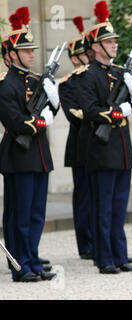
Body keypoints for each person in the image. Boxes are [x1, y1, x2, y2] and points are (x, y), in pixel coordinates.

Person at [78, 1, 132, 274]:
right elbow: (91, 111)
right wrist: (118, 112)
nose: (115, 45)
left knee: (118, 209)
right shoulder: (88, 75)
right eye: (109, 42)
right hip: (102, 149)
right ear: (95, 47)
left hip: (121, 149)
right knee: (103, 208)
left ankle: (120, 254)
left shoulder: (119, 73)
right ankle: (105, 258)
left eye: (115, 41)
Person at [0, 7, 58, 282]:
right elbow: (16, 122)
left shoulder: (37, 81)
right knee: (19, 216)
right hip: (19, 156)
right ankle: (19, 264)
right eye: (25, 51)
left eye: (33, 50)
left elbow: (48, 111)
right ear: (10, 55)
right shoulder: (5, 85)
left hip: (39, 156)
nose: (32, 54)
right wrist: (43, 118)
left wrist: (53, 103)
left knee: (36, 215)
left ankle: (32, 260)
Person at [58, 16, 93, 260]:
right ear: (74, 58)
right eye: (83, 56)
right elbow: (75, 115)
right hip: (81, 146)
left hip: (101, 146)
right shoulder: (68, 84)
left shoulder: (96, 78)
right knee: (84, 197)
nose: (88, 59)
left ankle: (100, 242)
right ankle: (86, 245)